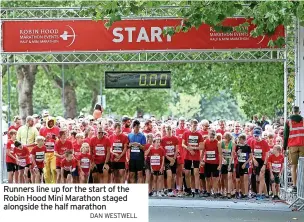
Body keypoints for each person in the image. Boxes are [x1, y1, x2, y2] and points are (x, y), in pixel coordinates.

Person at [283, 106, 304, 193]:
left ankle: (295, 186)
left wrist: (284, 148)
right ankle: (302, 185)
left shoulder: (288, 121)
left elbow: (285, 136)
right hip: (303, 145)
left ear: (292, 112)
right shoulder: (303, 120)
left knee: (293, 166)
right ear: (299, 112)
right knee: (302, 166)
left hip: (292, 146)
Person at [182, 119, 204, 197]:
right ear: (190, 125)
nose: (195, 127)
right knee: (187, 173)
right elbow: (183, 144)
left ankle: (197, 190)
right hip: (187, 155)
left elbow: (202, 146)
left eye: (196, 125)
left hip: (196, 156)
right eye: (193, 125)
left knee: (196, 173)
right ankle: (188, 189)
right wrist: (189, 149)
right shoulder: (186, 133)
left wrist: (194, 148)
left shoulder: (199, 134)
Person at [250, 127, 270, 200]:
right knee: (259, 178)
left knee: (261, 177)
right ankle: (266, 194)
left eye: (257, 136)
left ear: (260, 135)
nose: (256, 137)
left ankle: (259, 194)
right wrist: (253, 160)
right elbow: (251, 152)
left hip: (263, 161)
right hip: (256, 161)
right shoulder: (252, 141)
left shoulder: (264, 142)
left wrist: (264, 165)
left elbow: (267, 155)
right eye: (255, 136)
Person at [201, 130, 222, 198]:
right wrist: (201, 160)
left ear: (215, 136)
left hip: (215, 163)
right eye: (210, 137)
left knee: (215, 179)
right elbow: (203, 152)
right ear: (208, 136)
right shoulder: (205, 142)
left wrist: (220, 164)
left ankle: (215, 192)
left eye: (213, 137)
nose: (211, 138)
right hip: (207, 163)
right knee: (207, 178)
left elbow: (220, 154)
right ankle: (208, 191)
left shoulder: (217, 143)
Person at [161, 125, 179, 197]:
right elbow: (163, 152)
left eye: (170, 129)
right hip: (167, 160)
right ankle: (169, 190)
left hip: (174, 159)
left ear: (172, 130)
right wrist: (169, 159)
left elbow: (176, 149)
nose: (169, 130)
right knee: (169, 175)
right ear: (165, 130)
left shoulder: (175, 139)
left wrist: (174, 159)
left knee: (173, 176)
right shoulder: (163, 139)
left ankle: (172, 189)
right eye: (167, 129)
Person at [234, 134, 252, 199]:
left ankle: (246, 193)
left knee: (245, 179)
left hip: (245, 165)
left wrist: (245, 163)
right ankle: (239, 192)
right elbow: (234, 155)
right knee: (239, 179)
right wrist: (237, 153)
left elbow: (250, 157)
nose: (240, 141)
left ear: (244, 140)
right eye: (239, 140)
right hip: (239, 164)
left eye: (241, 140)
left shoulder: (248, 147)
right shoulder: (237, 146)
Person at [175, 117, 188, 197]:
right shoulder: (175, 131)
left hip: (185, 154)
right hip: (177, 153)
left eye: (183, 123)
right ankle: (178, 188)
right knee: (177, 172)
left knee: (184, 172)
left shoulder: (187, 131)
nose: (182, 124)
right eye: (181, 123)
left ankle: (183, 189)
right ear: (178, 123)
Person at [221, 132, 235, 198]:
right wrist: (223, 159)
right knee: (224, 177)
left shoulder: (232, 143)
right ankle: (226, 191)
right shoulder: (221, 143)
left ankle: (229, 192)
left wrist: (229, 164)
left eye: (227, 138)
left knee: (229, 176)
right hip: (223, 162)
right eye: (225, 138)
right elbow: (220, 153)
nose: (226, 139)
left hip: (230, 161)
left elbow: (232, 154)